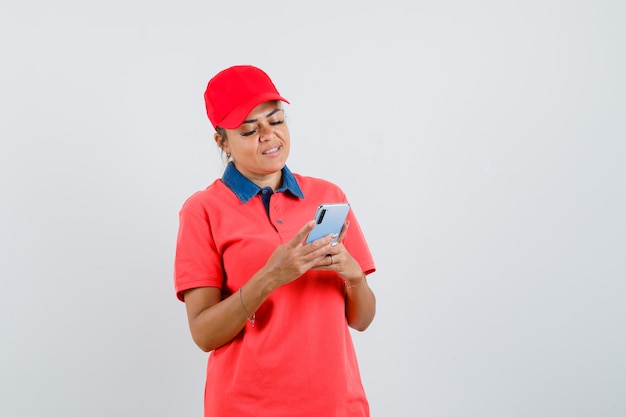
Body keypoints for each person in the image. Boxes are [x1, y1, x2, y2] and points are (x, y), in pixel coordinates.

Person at [174, 65, 377, 417]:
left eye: (276, 120)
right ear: (222, 141)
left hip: (336, 404)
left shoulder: (327, 195)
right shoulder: (202, 210)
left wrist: (354, 275)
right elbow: (204, 335)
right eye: (249, 129)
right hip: (248, 407)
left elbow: (361, 320)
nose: (269, 136)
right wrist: (271, 276)